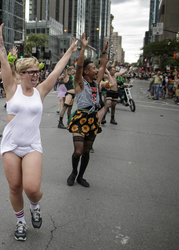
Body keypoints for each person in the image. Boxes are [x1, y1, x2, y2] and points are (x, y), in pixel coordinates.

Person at [0, 20, 78, 241]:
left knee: (31, 188)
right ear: (21, 73)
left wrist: (69, 51)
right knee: (15, 186)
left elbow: (57, 70)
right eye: (30, 72)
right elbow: (2, 58)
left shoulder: (41, 91)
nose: (35, 75)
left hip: (31, 146)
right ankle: (20, 222)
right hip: (10, 145)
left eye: (37, 71)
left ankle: (35, 206)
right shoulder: (12, 87)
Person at [66, 33, 108, 188]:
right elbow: (79, 66)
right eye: (93, 68)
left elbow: (103, 65)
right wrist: (83, 48)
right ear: (86, 72)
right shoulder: (79, 83)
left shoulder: (96, 82)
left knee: (86, 151)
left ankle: (81, 176)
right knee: (77, 151)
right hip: (80, 118)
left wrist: (105, 50)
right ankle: (73, 172)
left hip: (92, 119)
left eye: (95, 68)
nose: (96, 70)